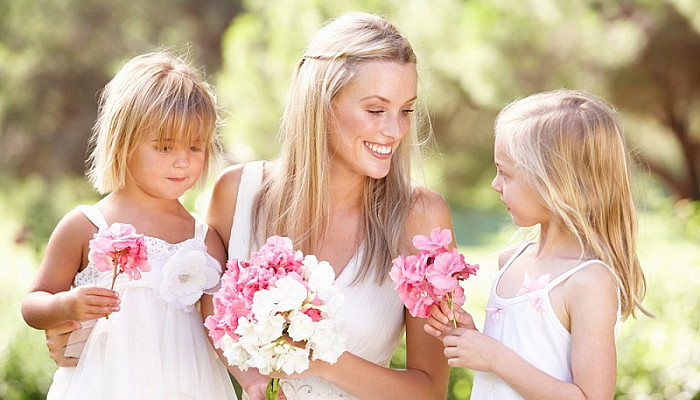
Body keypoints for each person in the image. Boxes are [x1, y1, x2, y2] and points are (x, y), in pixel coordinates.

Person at [204, 12, 452, 400]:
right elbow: (202, 308)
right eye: (375, 109)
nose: (395, 130)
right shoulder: (238, 194)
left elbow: (429, 390)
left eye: (406, 110)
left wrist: (322, 358)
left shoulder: (421, 217)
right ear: (320, 104)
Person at [21, 51, 237, 400]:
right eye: (164, 147)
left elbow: (218, 329)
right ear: (124, 143)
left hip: (188, 388)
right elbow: (33, 303)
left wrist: (256, 377)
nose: (183, 161)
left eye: (195, 147)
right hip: (105, 384)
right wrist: (68, 305)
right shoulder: (85, 226)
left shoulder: (204, 240)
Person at [425, 89, 650, 399]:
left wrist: (495, 357)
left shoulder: (588, 281)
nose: (495, 184)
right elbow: (518, 366)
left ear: (555, 183)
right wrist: (471, 340)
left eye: (505, 173)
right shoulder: (511, 261)